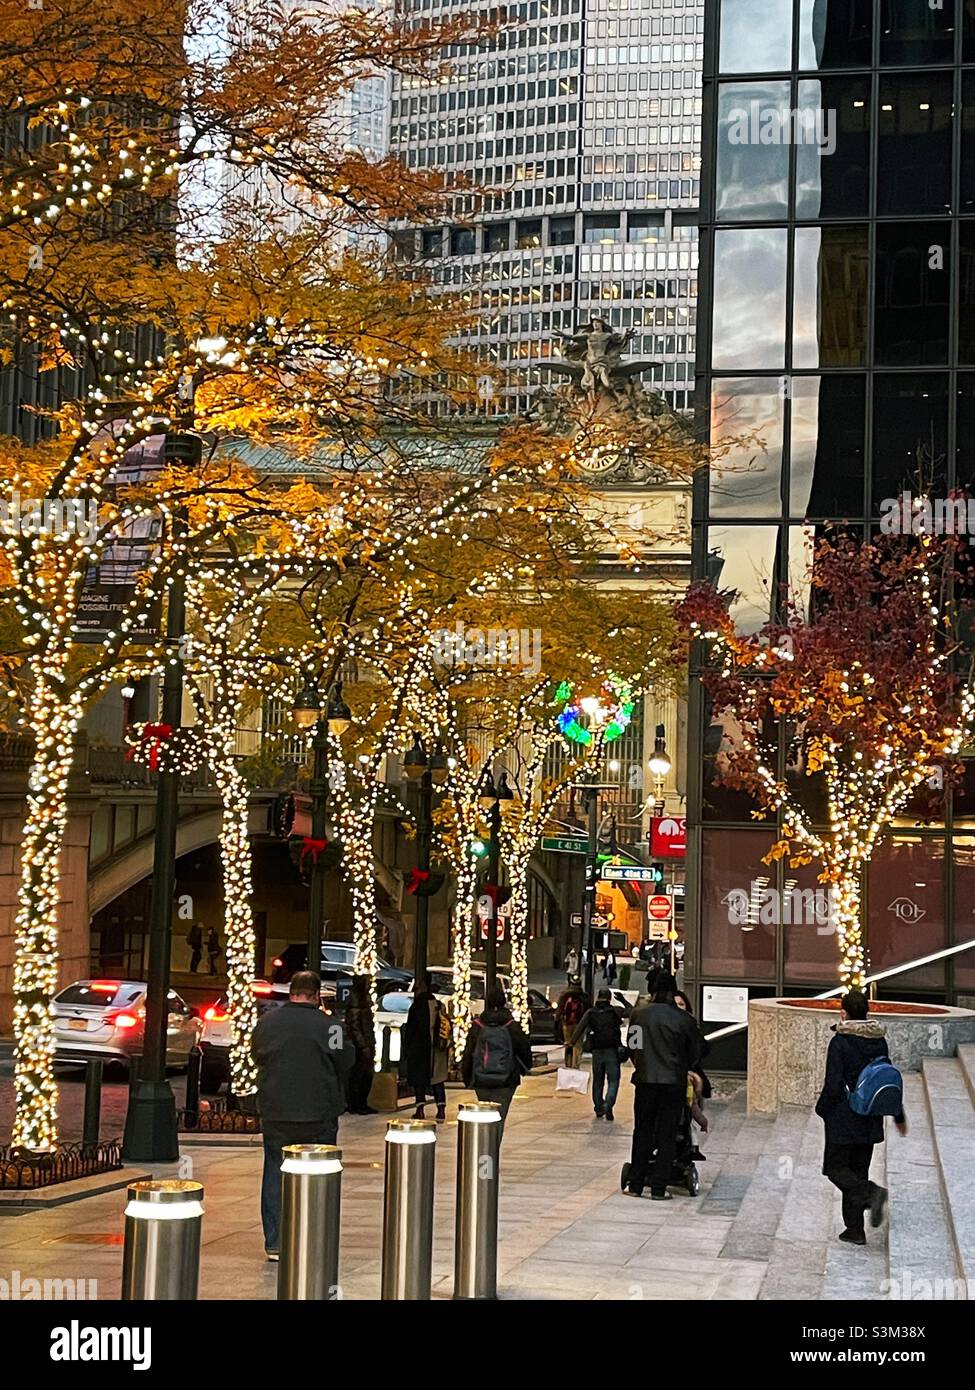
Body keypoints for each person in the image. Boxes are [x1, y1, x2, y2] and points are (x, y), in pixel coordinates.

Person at [252, 970, 351, 1261]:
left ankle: (276, 1241)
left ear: (292, 991)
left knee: (274, 1170)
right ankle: (314, 1235)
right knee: (318, 1171)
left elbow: (257, 1055)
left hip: (276, 1109)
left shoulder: (267, 1023)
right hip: (318, 1110)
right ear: (317, 994)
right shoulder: (330, 1026)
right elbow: (345, 1060)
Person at [815, 990, 907, 1246]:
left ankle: (872, 1193)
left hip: (844, 1116)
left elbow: (833, 1084)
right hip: (869, 1117)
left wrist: (822, 1109)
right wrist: (898, 1113)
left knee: (835, 1168)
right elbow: (885, 1076)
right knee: (856, 1169)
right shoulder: (878, 1040)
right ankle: (854, 1230)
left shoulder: (840, 1041)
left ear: (843, 1012)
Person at [624, 970, 700, 1200]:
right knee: (667, 1134)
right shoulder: (684, 1020)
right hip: (673, 1083)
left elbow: (632, 1045)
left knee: (643, 1130)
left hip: (645, 1081)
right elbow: (695, 1053)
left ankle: (636, 1184)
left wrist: (643, 1063)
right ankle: (659, 1187)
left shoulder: (639, 1016)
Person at [461, 985, 532, 1136]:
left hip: (481, 1079)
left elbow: (468, 1053)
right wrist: (524, 1070)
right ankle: (492, 1153)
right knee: (499, 1118)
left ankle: (484, 1151)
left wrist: (467, 1078)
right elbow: (524, 1049)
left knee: (485, 1118)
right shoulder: (511, 1025)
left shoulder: (478, 1025)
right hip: (506, 1081)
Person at [569, 987, 624, 1120]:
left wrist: (571, 1043)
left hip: (597, 1051)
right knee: (613, 1080)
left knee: (598, 1081)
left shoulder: (591, 1012)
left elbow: (580, 1028)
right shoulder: (615, 1011)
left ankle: (599, 1107)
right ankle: (609, 1104)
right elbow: (633, 1011)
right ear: (609, 998)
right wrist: (623, 1000)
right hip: (612, 1050)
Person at [403, 972, 450, 1121]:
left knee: (419, 1079)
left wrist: (407, 1048)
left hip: (419, 1047)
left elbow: (410, 1029)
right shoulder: (438, 1004)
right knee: (437, 1079)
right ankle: (441, 1109)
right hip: (437, 1048)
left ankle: (420, 1109)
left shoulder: (416, 1006)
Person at [675, 989, 711, 1132]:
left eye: (681, 1004)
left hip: (690, 1080)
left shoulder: (691, 1026)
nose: (679, 1008)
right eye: (675, 1004)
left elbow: (703, 1049)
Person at [344, 975, 377, 1115]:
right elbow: (355, 1029)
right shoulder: (357, 1006)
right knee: (359, 1076)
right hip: (361, 1047)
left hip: (365, 1044)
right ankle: (356, 1103)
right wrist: (364, 1046)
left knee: (364, 1076)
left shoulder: (361, 1005)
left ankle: (360, 1103)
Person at [554, 977, 590, 1068]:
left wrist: (556, 1022)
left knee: (568, 1044)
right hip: (580, 1024)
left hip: (567, 1024)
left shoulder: (565, 995)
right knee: (577, 1046)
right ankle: (575, 1065)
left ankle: (568, 1065)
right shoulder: (583, 996)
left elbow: (559, 1010)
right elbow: (588, 1009)